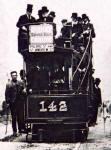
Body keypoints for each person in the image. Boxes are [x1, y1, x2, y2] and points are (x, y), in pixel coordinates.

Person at [5, 71, 25, 136]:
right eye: (13, 75)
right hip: (13, 103)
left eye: (16, 75)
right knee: (14, 117)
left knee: (20, 117)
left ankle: (20, 130)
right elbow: (7, 94)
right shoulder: (9, 84)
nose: (15, 76)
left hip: (20, 102)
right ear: (11, 76)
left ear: (17, 76)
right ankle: (14, 131)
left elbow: (23, 90)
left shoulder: (20, 83)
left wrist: (24, 91)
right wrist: (8, 102)